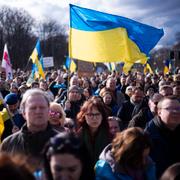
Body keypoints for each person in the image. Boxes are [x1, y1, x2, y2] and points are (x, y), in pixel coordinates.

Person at [0, 89, 58, 169]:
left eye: (42, 107)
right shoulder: (8, 144)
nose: (38, 111)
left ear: (49, 111)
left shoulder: (62, 142)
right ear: (23, 112)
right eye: (33, 108)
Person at [145, 96, 180, 177]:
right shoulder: (147, 137)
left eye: (178, 108)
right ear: (159, 112)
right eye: (169, 108)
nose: (175, 111)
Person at [77, 97, 110, 168]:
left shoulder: (110, 134)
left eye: (97, 114)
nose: (94, 118)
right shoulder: (77, 136)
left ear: (102, 116)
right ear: (84, 116)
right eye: (90, 114)